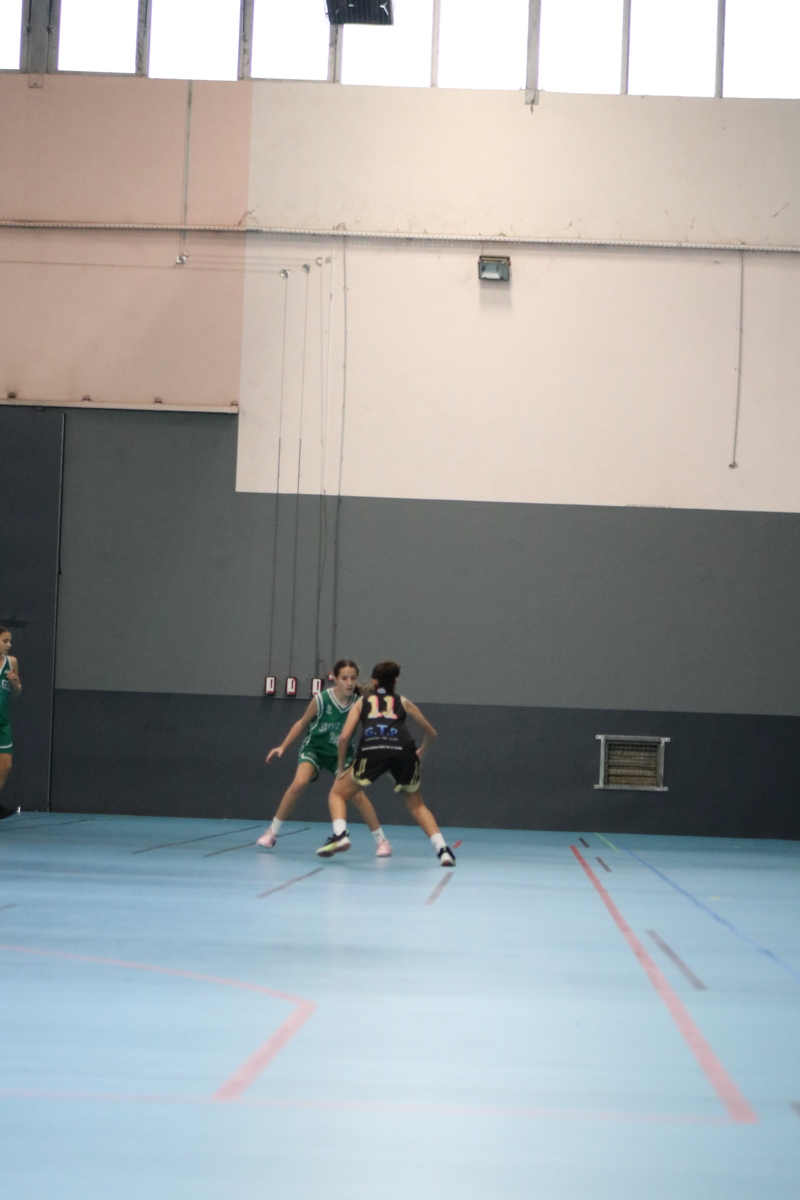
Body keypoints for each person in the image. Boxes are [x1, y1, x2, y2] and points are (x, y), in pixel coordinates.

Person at [316, 660, 455, 867]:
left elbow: (344, 738)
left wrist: (342, 769)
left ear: (374, 681)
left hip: (373, 749)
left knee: (337, 794)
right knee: (417, 806)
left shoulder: (362, 702)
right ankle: (443, 851)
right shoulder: (403, 701)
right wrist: (421, 751)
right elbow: (431, 733)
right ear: (395, 681)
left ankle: (340, 835)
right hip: (404, 751)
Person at [256, 659, 392, 857]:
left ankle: (382, 842)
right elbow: (302, 723)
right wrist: (282, 746)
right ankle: (271, 833)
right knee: (299, 783)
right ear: (335, 678)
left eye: (353, 678)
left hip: (342, 754)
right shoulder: (321, 699)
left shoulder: (359, 703)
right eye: (344, 678)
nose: (349, 682)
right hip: (316, 749)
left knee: (357, 794)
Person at [0, 627, 22, 820]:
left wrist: (15, 683)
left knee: (6, 766)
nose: (9, 645)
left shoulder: (11, 662)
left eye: (10, 641)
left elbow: (17, 692)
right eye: (5, 641)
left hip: (3, 722)